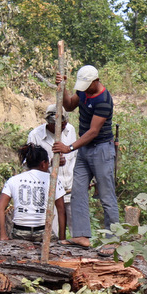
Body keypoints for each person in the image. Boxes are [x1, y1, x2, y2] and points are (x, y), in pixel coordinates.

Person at [52, 65, 119, 248]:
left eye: (87, 86)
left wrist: (69, 147)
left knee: (106, 195)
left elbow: (93, 132)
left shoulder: (104, 100)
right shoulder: (83, 91)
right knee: (78, 191)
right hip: (84, 150)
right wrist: (63, 87)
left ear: (96, 81)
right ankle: (81, 235)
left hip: (101, 150)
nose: (84, 89)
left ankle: (113, 240)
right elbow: (69, 105)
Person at [0, 144, 66, 242]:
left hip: (20, 231)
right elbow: (61, 210)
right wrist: (62, 238)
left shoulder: (13, 180)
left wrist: (3, 235)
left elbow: (0, 208)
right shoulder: (52, 180)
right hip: (43, 231)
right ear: (43, 163)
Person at [27, 104, 77, 235]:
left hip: (71, 189)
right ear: (49, 123)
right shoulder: (35, 136)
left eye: (65, 123)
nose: (63, 126)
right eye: (60, 125)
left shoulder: (71, 130)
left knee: (77, 232)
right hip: (49, 193)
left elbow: (76, 157)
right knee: (52, 232)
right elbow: (28, 167)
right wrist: (50, 164)